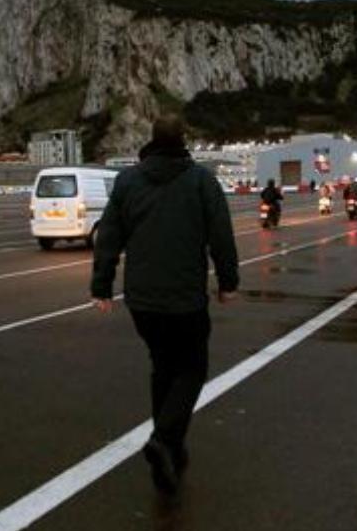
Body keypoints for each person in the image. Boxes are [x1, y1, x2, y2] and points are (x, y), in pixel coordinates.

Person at [90, 114, 240, 494]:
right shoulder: (201, 181)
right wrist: (228, 282)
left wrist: (102, 285)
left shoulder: (128, 181)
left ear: (151, 140)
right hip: (185, 298)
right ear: (183, 141)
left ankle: (171, 448)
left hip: (141, 300)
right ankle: (164, 439)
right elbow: (221, 235)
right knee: (191, 369)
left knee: (162, 368)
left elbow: (108, 235)